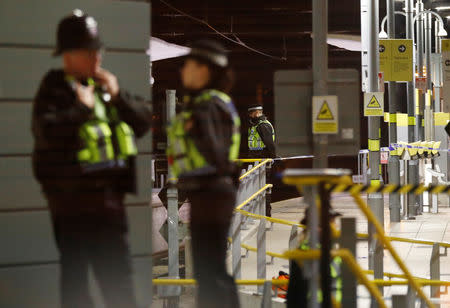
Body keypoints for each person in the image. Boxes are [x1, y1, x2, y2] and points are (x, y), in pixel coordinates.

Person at [31, 10, 151, 308]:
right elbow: (47, 132)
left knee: (120, 281)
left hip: (110, 202)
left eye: (99, 50)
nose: (97, 58)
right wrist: (81, 110)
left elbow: (143, 122)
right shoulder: (54, 87)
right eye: (89, 51)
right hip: (71, 204)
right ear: (68, 54)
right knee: (76, 284)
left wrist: (118, 94)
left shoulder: (105, 87)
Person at [166, 39, 241, 308]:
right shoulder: (210, 103)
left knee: (210, 271)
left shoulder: (207, 106)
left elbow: (215, 154)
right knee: (212, 269)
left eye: (188, 64)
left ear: (204, 70)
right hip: (211, 192)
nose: (183, 69)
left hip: (210, 192)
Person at [287, 207, 343, 307]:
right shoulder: (304, 255)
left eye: (334, 222)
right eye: (330, 222)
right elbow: (294, 298)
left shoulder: (337, 254)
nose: (334, 226)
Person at [247, 104, 276, 216]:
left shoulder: (262, 125)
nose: (250, 115)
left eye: (252, 113)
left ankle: (266, 213)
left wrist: (273, 157)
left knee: (263, 187)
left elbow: (270, 144)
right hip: (256, 159)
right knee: (257, 187)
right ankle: (259, 212)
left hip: (262, 159)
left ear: (257, 112)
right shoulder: (255, 125)